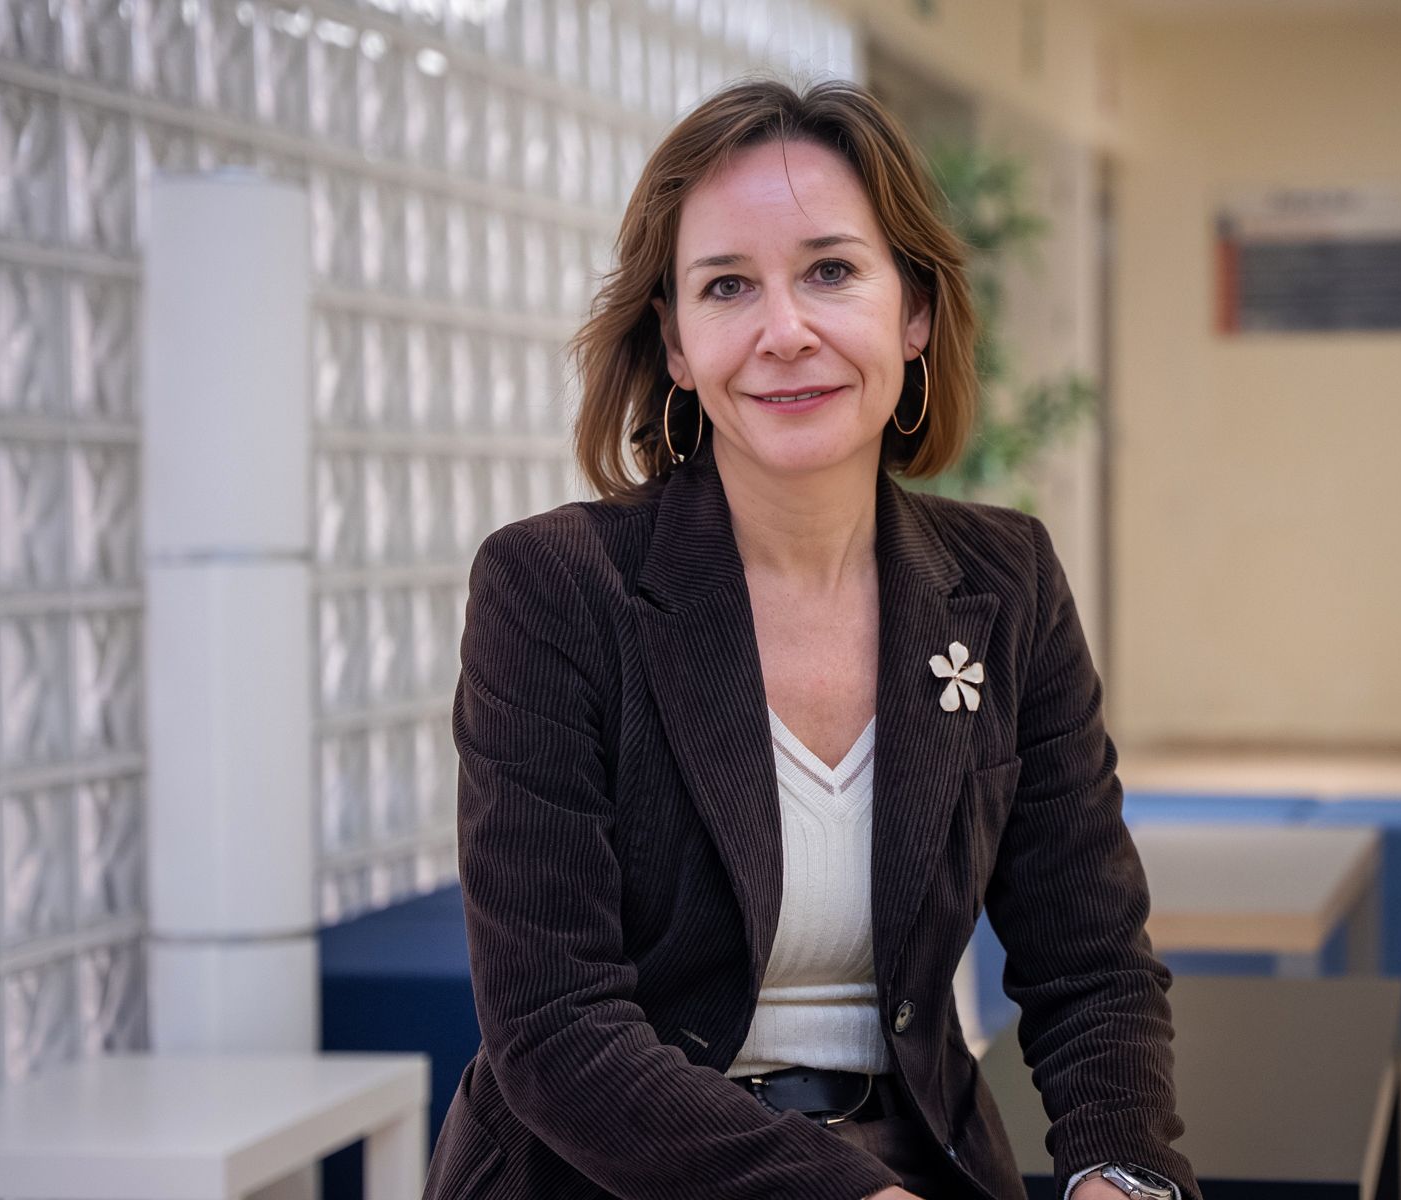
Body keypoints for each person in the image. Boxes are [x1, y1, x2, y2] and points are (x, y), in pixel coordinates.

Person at [421, 76, 1199, 1200]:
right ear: (676, 343)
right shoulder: (554, 589)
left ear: (914, 312)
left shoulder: (1008, 582)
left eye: (831, 271)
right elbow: (557, 1027)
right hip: (611, 1177)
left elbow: (1093, 967)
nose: (784, 333)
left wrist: (1119, 1176)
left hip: (917, 1157)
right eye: (727, 286)